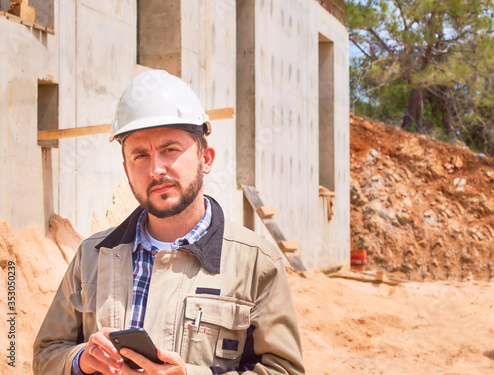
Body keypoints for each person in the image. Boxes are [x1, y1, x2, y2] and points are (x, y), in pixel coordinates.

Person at [33, 70, 305, 375]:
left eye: (170, 150)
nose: (155, 169)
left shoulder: (255, 262)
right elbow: (46, 353)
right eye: (140, 156)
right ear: (126, 168)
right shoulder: (92, 255)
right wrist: (80, 360)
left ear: (207, 159)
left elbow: (284, 370)